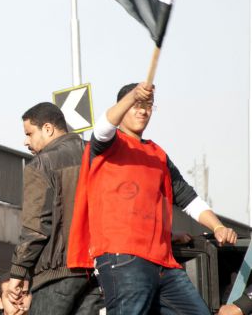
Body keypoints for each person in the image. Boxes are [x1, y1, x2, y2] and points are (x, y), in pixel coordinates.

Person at [67, 82, 239, 315]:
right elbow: (102, 127)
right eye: (136, 104)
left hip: (162, 262)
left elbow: (188, 199)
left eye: (148, 106)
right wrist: (132, 96)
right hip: (123, 257)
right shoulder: (106, 145)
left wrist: (217, 226)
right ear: (123, 106)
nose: (143, 111)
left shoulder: (158, 155)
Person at [7, 102, 102, 315]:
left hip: (56, 273)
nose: (26, 141)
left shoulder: (41, 165)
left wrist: (18, 272)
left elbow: (36, 228)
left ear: (48, 129)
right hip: (96, 271)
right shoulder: (97, 156)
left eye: (29, 133)